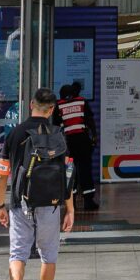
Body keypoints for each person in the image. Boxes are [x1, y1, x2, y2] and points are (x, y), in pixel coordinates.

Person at [0, 86, 76, 280]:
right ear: (52, 109)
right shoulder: (59, 134)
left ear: (31, 104)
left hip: (21, 201)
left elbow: (2, 174)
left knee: (18, 253)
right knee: (48, 256)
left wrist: (0, 203)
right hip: (50, 204)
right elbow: (68, 175)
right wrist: (69, 209)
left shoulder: (16, 132)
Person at [55, 82, 96, 211]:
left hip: (68, 144)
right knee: (85, 170)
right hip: (83, 141)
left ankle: (71, 202)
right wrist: (94, 136)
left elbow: (56, 126)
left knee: (69, 171)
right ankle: (88, 201)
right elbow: (90, 121)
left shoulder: (59, 105)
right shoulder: (82, 102)